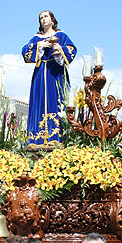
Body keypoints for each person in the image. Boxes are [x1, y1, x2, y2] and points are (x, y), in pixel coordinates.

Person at [22, 10, 76, 146]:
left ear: (52, 20)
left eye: (46, 16)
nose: (43, 19)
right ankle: (37, 138)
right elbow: (25, 51)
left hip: (56, 72)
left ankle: (57, 137)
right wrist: (41, 45)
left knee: (57, 101)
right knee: (39, 101)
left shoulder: (61, 35)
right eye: (41, 18)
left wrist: (58, 48)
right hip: (41, 73)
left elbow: (72, 49)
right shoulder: (36, 38)